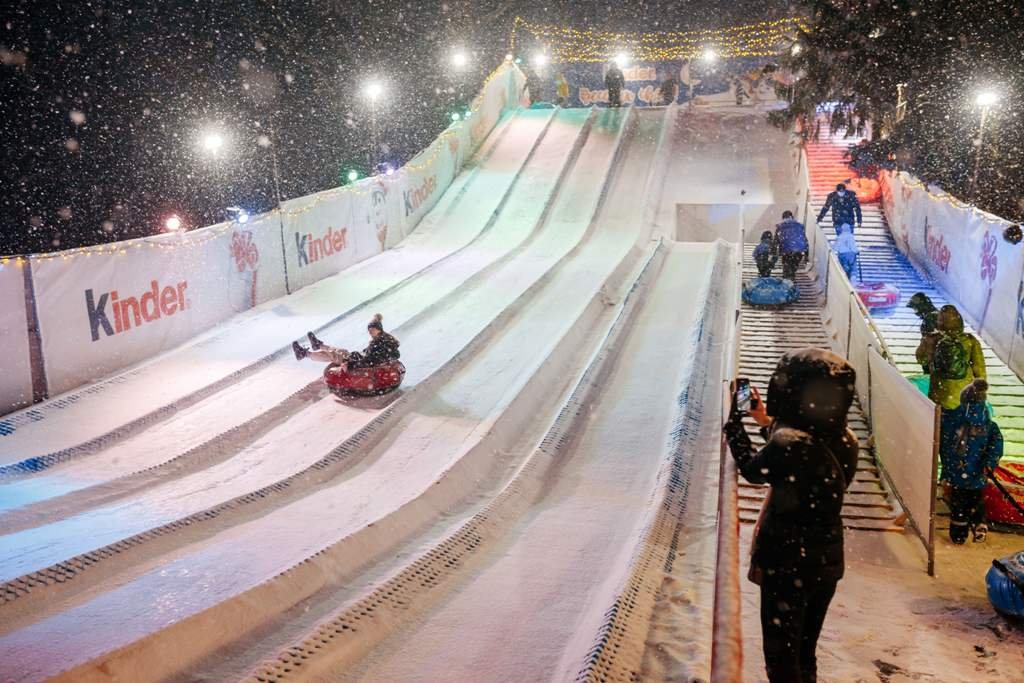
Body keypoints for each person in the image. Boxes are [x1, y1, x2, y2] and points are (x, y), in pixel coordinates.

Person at [723, 348, 859, 683]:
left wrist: (733, 426)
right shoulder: (845, 438)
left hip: (787, 560)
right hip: (826, 559)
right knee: (804, 650)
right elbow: (804, 449)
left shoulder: (790, 445)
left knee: (782, 657)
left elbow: (755, 470)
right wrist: (766, 422)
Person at [939, 379, 1003, 544]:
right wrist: (990, 462)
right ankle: (979, 522)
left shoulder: (953, 418)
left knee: (959, 503)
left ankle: (959, 534)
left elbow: (940, 421)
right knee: (975, 498)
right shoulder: (988, 423)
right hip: (977, 471)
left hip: (956, 471)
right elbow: (996, 444)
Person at [917, 305, 986, 410]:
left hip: (939, 394)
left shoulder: (931, 339)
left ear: (940, 322)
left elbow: (921, 359)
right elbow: (979, 369)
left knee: (938, 419)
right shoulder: (970, 341)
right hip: (963, 394)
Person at [292, 313, 400, 369]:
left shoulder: (379, 342)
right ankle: (310, 351)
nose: (370, 332)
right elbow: (373, 355)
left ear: (379, 329)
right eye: (369, 330)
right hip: (360, 359)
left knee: (336, 354)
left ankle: (310, 350)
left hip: (360, 363)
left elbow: (371, 360)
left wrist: (350, 363)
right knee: (338, 353)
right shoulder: (383, 339)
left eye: (372, 330)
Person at [907, 292, 940, 372]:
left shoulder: (930, 318)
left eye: (915, 309)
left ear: (921, 307)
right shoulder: (937, 315)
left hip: (934, 363)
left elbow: (930, 343)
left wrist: (924, 360)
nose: (915, 312)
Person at [774, 210, 808, 280]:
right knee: (793, 268)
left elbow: (775, 241)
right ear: (792, 217)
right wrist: (806, 256)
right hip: (799, 250)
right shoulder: (800, 226)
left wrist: (774, 254)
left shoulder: (780, 226)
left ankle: (787, 282)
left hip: (786, 251)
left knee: (786, 269)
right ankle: (791, 280)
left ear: (783, 218)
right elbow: (805, 241)